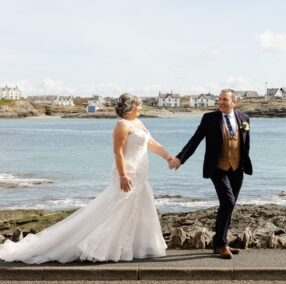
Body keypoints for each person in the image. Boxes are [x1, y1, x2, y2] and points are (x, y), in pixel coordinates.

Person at [0, 93, 171, 264]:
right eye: (138, 105)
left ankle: (135, 247)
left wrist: (169, 158)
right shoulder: (122, 125)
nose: (141, 108)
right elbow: (117, 152)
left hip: (141, 174)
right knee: (117, 210)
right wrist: (122, 175)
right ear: (130, 107)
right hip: (128, 172)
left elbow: (152, 143)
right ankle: (98, 246)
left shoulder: (139, 123)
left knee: (136, 208)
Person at [169, 89, 252, 259]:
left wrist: (243, 164)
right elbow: (195, 139)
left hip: (237, 169)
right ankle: (221, 245)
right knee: (227, 202)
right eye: (219, 99)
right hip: (218, 168)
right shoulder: (209, 118)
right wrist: (180, 158)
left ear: (233, 103)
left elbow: (245, 143)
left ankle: (221, 243)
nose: (221, 102)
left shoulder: (244, 118)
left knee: (230, 206)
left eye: (225, 100)